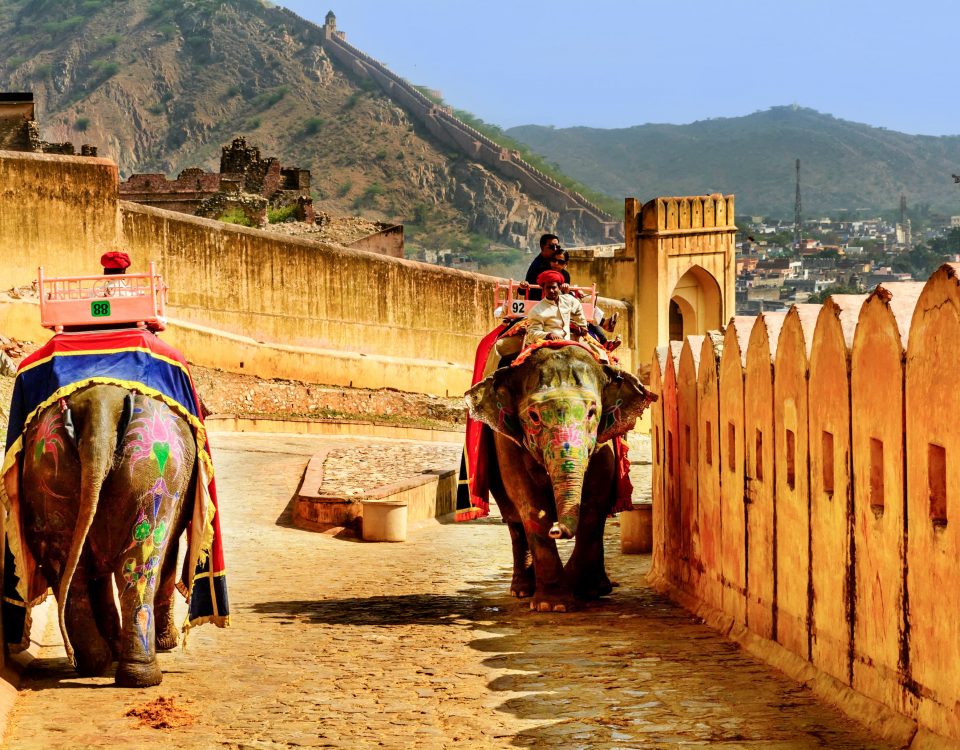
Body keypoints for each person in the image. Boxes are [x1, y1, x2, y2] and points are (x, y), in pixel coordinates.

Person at [520, 234, 563, 301]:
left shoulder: (552, 262)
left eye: (557, 247)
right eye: (551, 247)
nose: (555, 249)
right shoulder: (538, 266)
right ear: (542, 247)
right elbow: (524, 290)